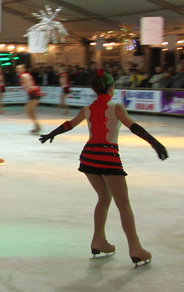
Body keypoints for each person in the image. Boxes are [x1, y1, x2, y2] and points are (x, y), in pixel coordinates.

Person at [38, 68, 167, 266]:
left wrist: (51, 134)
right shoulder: (116, 107)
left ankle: (98, 240)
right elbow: (134, 127)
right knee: (123, 204)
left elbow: (70, 124)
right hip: (107, 157)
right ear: (111, 88)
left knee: (104, 197)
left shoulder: (88, 109)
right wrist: (155, 143)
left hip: (88, 157)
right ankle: (135, 248)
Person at [15, 63, 42, 132]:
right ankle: (37, 125)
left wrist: (29, 88)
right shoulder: (25, 75)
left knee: (28, 110)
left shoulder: (23, 75)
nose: (18, 70)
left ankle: (37, 126)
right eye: (17, 69)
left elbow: (29, 84)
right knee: (29, 111)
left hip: (34, 93)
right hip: (32, 93)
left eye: (19, 68)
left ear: (23, 69)